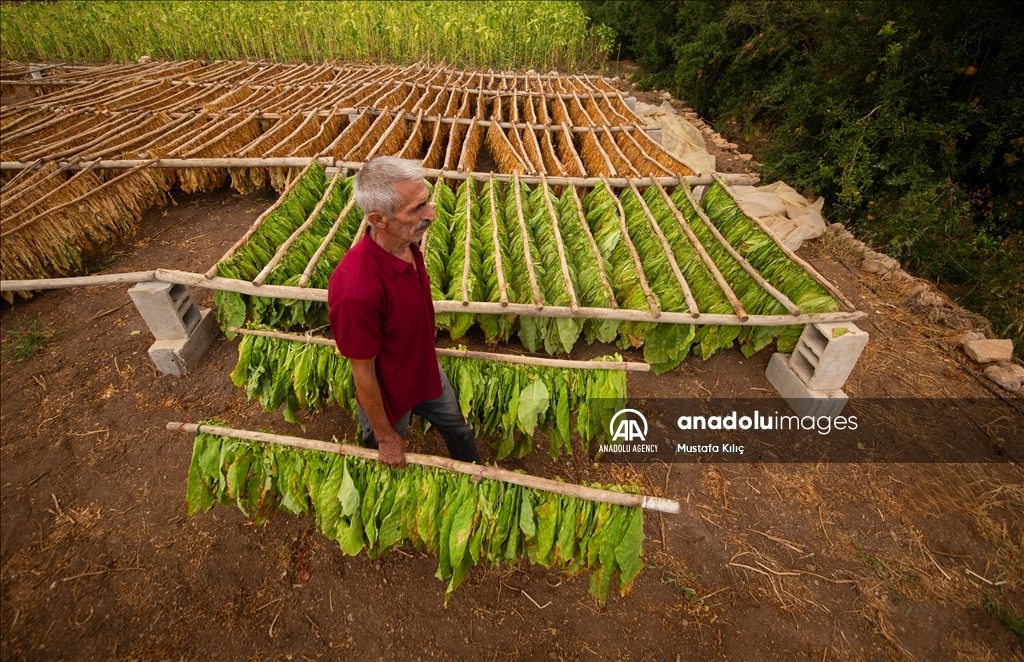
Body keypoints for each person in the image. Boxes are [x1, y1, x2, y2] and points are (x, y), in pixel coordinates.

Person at [327, 156, 480, 468]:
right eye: (416, 209)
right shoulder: (357, 289)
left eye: (426, 201)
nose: (431, 214)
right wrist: (385, 437)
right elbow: (363, 373)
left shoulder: (407, 244)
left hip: (425, 370)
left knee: (459, 431)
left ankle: (474, 473)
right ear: (379, 219)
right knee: (387, 460)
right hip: (389, 395)